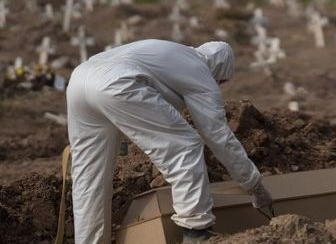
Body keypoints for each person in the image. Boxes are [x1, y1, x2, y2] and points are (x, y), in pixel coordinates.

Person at [66, 39, 273, 244]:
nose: (219, 85)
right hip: (117, 84)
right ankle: (197, 232)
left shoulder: (177, 54)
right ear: (220, 71)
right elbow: (218, 136)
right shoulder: (201, 71)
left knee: (89, 174)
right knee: (185, 146)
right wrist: (253, 184)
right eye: (221, 81)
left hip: (79, 80)